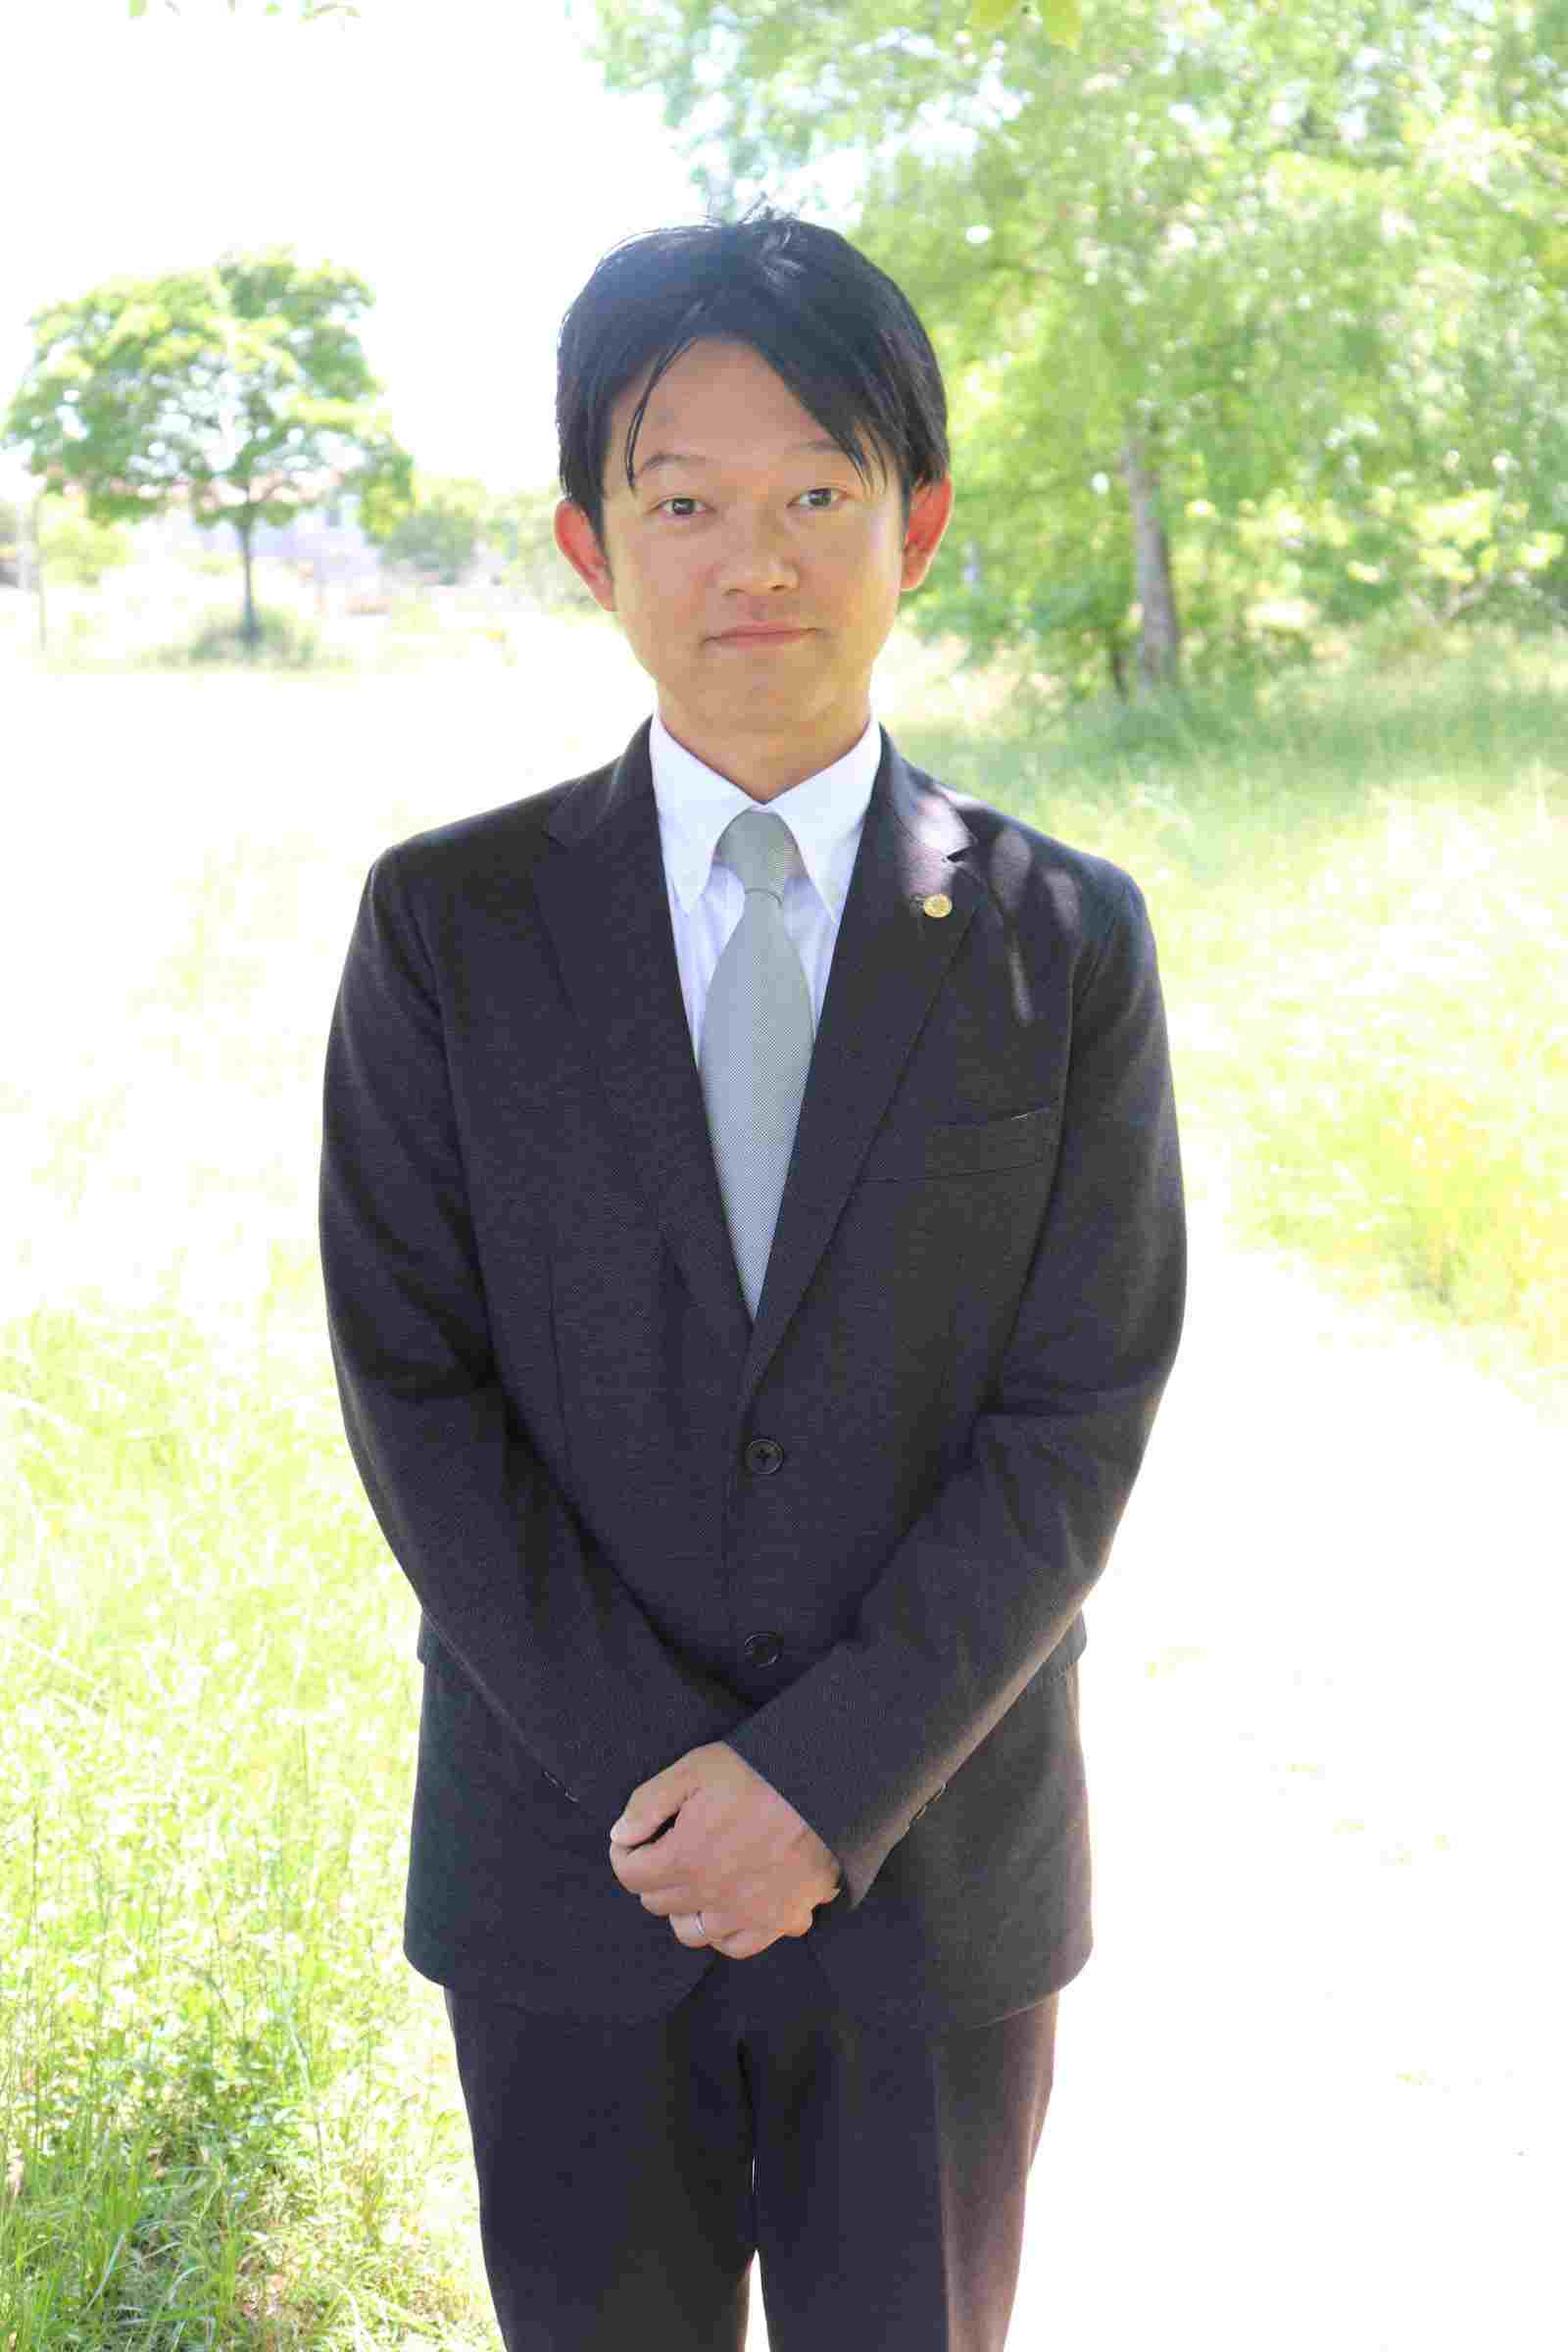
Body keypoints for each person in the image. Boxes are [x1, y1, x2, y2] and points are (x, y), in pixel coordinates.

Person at [318, 209, 1185, 2352]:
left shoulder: (1062, 938)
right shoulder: (450, 928)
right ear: (587, 547)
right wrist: (677, 1800)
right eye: (682, 503)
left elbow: (1077, 1409)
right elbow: (415, 1389)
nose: (754, 564)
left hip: (936, 1872)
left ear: (917, 526)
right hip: (568, 1870)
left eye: (814, 494)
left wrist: (821, 1788)